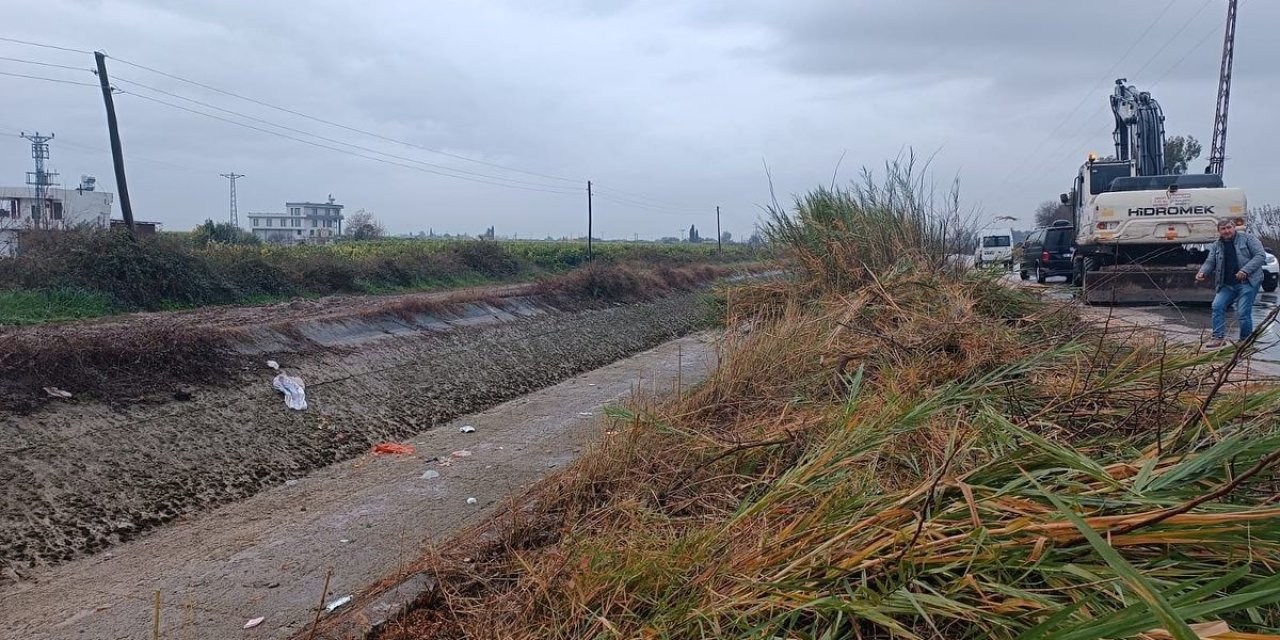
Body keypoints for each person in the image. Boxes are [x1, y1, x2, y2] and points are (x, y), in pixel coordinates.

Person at [1195, 220, 1266, 348]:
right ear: (1219, 231)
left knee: (1243, 312)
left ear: (1234, 228)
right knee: (1217, 306)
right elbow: (1210, 262)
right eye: (1223, 229)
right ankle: (1218, 338)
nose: (1227, 231)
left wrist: (1245, 270)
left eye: (1229, 227)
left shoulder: (1248, 239)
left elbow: (1260, 256)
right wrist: (1202, 272)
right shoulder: (1217, 245)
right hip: (1226, 284)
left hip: (1248, 282)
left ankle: (1245, 341)